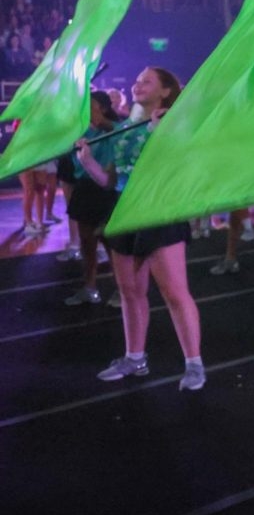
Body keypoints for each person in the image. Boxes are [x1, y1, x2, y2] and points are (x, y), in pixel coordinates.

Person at [76, 67, 206, 391]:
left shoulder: (176, 124)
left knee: (175, 293)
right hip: (124, 212)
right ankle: (135, 358)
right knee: (130, 292)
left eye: (146, 81)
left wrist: (164, 133)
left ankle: (194, 364)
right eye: (136, 80)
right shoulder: (124, 128)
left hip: (159, 211)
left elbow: (183, 167)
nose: (137, 85)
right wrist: (87, 160)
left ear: (165, 91)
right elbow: (110, 180)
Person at [63, 91, 122, 306]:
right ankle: (89, 287)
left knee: (112, 244)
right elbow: (76, 162)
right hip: (85, 190)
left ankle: (121, 289)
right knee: (87, 243)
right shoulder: (81, 131)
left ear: (103, 109)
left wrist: (104, 122)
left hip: (107, 192)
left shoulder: (117, 129)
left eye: (91, 105)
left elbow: (120, 137)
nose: (86, 109)